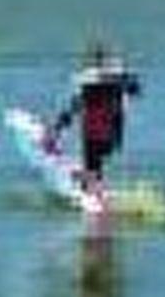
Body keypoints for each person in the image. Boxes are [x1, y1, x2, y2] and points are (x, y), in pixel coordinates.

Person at [46, 42, 142, 195]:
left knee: (94, 162)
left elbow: (74, 108)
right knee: (96, 162)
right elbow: (134, 90)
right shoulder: (113, 83)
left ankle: (89, 183)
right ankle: (93, 184)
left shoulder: (96, 85)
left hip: (98, 131)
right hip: (107, 132)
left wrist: (57, 130)